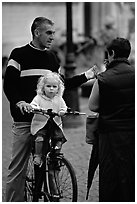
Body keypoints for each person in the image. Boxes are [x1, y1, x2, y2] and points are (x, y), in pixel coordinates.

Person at [3, 16, 97, 202]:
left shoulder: (52, 58)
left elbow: (61, 85)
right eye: (49, 33)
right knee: (17, 169)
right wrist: (19, 102)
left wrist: (86, 76)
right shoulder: (18, 54)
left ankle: (51, 196)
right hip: (25, 120)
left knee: (51, 162)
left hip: (48, 121)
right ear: (37, 32)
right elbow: (9, 85)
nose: (52, 37)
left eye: (53, 33)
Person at [88, 37, 135, 202]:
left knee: (111, 177)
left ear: (112, 53)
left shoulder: (103, 78)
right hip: (132, 133)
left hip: (109, 135)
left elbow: (93, 106)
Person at [30, 71, 67, 165]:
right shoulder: (39, 98)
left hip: (55, 124)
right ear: (43, 87)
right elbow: (33, 105)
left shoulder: (59, 98)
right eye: (48, 86)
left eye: (54, 87)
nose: (51, 89)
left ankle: (56, 156)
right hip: (41, 124)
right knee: (39, 139)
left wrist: (62, 111)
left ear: (58, 88)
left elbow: (64, 107)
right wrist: (36, 108)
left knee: (59, 139)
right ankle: (38, 155)